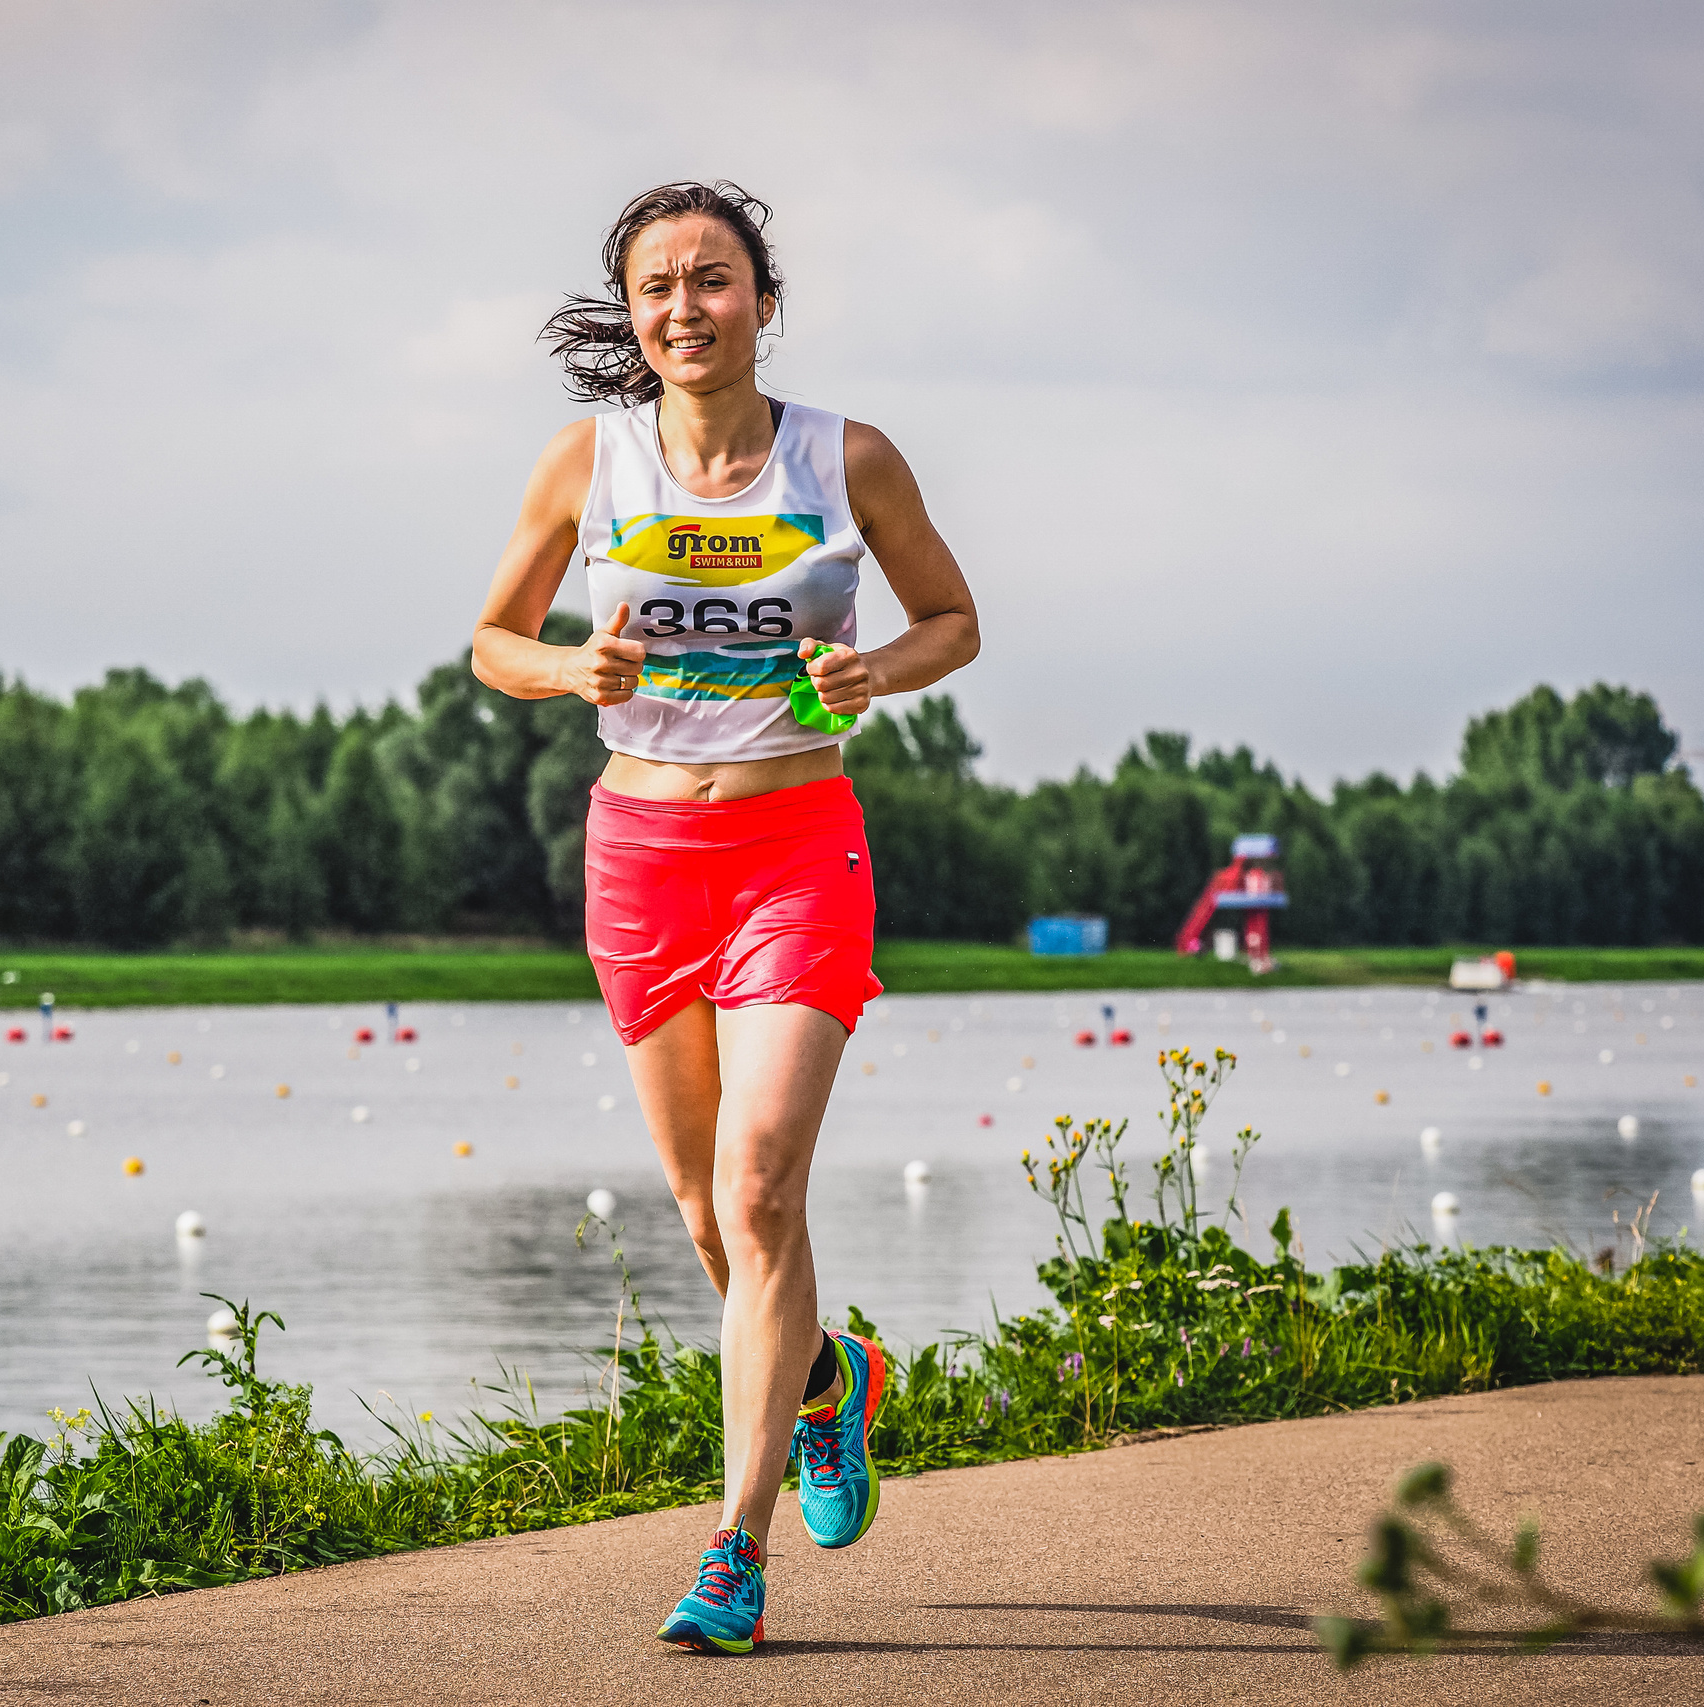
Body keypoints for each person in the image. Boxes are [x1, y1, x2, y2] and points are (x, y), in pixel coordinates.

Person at [469, 181, 981, 1654]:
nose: (685, 308)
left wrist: (873, 672)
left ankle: (730, 1554)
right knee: (702, 1214)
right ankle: (833, 1384)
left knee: (761, 1191)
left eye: (713, 279)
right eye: (657, 288)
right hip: (640, 852)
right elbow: (494, 641)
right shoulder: (589, 459)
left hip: (796, 845)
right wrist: (578, 673)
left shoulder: (847, 456)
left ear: (763, 298)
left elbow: (955, 617)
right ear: (632, 317)